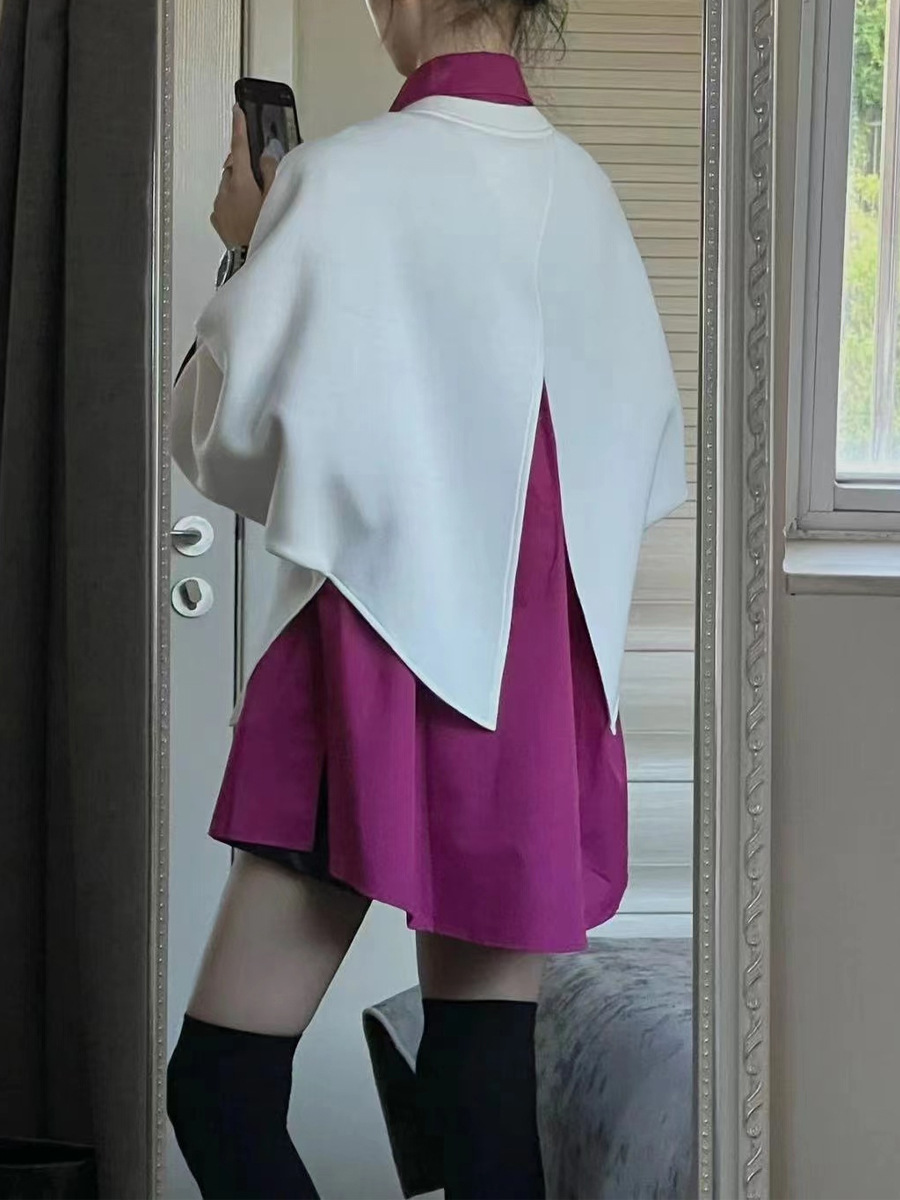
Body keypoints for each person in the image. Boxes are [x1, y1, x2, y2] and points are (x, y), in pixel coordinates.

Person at [166, 1, 687, 1197]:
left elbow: (220, 435)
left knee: (222, 1085)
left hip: (370, 656)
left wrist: (248, 243)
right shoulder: (591, 198)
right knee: (480, 1095)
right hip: (535, 689)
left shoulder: (340, 181)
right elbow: (643, 458)